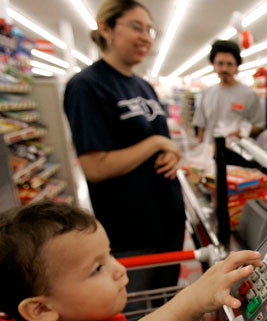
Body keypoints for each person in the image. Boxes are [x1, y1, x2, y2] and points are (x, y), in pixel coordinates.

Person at [0, 201, 261, 321]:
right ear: (42, 309)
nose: (119, 269)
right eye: (97, 269)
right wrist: (195, 298)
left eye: (110, 254)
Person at [63, 0, 185, 291]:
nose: (145, 36)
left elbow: (164, 142)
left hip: (167, 220)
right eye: (136, 26)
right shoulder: (87, 86)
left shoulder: (143, 86)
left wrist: (172, 151)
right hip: (131, 230)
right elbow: (95, 167)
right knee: (136, 317)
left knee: (165, 303)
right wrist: (155, 142)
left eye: (149, 30)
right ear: (106, 28)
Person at [192, 40, 265, 143]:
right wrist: (201, 151)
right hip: (211, 151)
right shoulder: (207, 93)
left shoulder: (249, 94)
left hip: (238, 152)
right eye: (220, 63)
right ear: (213, 64)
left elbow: (259, 126)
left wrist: (241, 133)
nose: (224, 69)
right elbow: (201, 127)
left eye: (229, 64)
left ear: (237, 66)